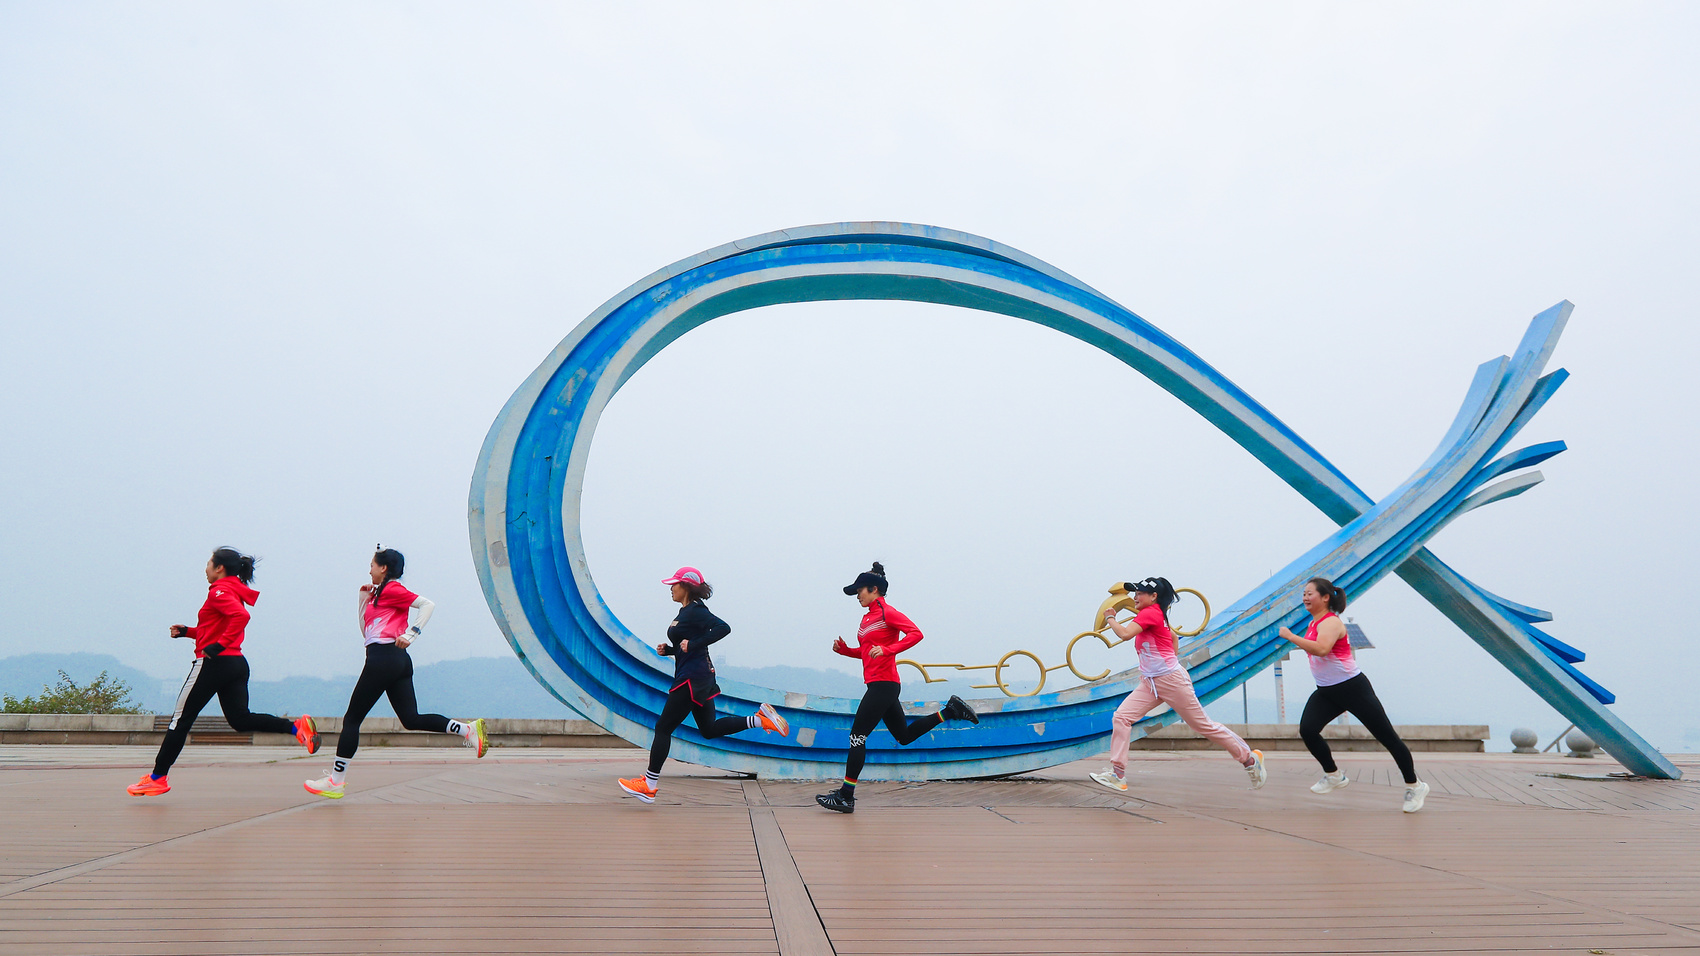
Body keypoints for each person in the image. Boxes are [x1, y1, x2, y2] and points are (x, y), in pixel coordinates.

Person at [127, 548, 319, 796]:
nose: (205, 568)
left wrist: (217, 646)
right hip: (236, 664)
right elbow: (216, 627)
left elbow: (241, 617)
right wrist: (188, 632)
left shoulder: (219, 591)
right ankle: (296, 728)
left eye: (209, 563)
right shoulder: (233, 590)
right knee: (240, 720)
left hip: (214, 664)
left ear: (219, 568)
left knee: (180, 720)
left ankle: (157, 778)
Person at [304, 548, 487, 799]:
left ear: (384, 568)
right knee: (411, 719)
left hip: (383, 659)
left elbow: (427, 605)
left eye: (372, 565)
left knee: (352, 719)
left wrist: (412, 633)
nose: (369, 570)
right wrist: (363, 599)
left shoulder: (392, 590)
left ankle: (336, 781)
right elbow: (367, 632)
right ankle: (467, 730)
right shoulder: (380, 594)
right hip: (396, 661)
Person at [816, 562, 979, 814]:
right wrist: (846, 650)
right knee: (903, 736)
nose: (857, 596)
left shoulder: (887, 612)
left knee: (857, 737)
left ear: (874, 589)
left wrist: (888, 649)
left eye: (860, 591)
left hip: (884, 685)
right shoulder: (867, 617)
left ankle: (846, 796)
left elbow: (915, 633)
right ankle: (950, 711)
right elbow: (868, 651)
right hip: (881, 685)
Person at [618, 567, 790, 803]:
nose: (671, 588)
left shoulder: (696, 610)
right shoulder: (686, 611)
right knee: (708, 730)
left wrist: (694, 643)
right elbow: (688, 645)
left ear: (686, 586)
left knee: (663, 728)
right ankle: (761, 720)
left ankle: (649, 785)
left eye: (675, 584)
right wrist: (670, 650)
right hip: (700, 677)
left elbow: (723, 628)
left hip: (692, 679)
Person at [1089, 576, 1266, 793]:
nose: (1135, 597)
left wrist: (1110, 618)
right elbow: (1172, 636)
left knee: (1203, 725)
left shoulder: (1150, 613)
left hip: (1171, 681)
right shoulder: (1154, 614)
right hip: (1151, 682)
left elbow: (1125, 634)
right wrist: (1168, 661)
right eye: (1135, 593)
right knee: (1122, 717)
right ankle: (1118, 775)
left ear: (1154, 596)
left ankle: (1249, 759)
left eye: (1140, 593)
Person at [1280, 576, 1429, 813]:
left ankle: (1415, 785)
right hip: (1326, 691)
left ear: (1325, 597)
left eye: (1310, 593)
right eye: (1304, 594)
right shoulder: (1313, 623)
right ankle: (1334, 775)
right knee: (1308, 730)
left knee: (1387, 737)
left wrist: (1290, 637)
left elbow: (1322, 649)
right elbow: (1314, 647)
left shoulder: (1330, 622)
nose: (1305, 597)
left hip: (1353, 688)